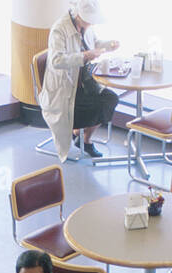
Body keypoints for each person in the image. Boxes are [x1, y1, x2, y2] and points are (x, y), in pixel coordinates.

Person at [39, 0, 120, 161]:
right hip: (64, 91)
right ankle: (81, 137)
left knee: (110, 99)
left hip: (82, 83)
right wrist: (84, 56)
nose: (91, 24)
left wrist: (109, 45)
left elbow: (94, 43)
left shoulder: (85, 26)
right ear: (78, 15)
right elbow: (56, 60)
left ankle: (82, 137)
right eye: (88, 20)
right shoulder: (59, 29)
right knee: (98, 105)